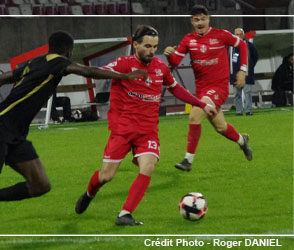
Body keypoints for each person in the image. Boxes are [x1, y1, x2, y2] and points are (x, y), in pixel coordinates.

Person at [0, 31, 148, 249]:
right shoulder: (59, 62)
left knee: (40, 185)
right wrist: (125, 75)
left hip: (14, 133)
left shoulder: (36, 61)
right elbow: (87, 72)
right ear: (68, 50)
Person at [74, 25, 217, 226]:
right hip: (122, 130)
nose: (152, 50)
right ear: (135, 45)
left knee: (148, 167)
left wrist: (202, 104)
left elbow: (176, 89)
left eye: (155, 46)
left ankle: (125, 214)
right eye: (148, 46)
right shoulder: (124, 64)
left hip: (148, 131)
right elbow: (97, 72)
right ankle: (89, 193)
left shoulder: (160, 66)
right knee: (106, 176)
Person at [164, 4, 253, 171]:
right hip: (202, 90)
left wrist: (243, 70)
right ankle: (242, 141)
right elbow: (175, 63)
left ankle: (187, 161)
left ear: (208, 19)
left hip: (218, 88)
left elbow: (242, 45)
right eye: (196, 19)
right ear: (192, 21)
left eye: (203, 19)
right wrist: (170, 55)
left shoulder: (221, 35)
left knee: (194, 116)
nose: (200, 22)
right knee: (220, 127)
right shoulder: (188, 40)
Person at [230, 28, 259, 115]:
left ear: (243, 35)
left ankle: (248, 111)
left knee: (247, 93)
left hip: (246, 73)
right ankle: (238, 111)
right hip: (235, 74)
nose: (238, 36)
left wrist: (250, 67)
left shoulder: (249, 45)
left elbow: (255, 57)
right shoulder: (230, 46)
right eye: (236, 34)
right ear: (234, 35)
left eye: (240, 34)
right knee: (237, 94)